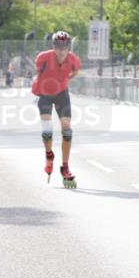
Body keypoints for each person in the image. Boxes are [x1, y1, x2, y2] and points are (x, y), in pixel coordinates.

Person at [31, 31, 81, 188]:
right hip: (44, 93)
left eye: (65, 47)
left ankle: (65, 167)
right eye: (58, 47)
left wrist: (62, 81)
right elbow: (38, 74)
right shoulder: (43, 58)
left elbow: (75, 73)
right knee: (47, 129)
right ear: (53, 47)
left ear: (69, 48)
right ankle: (49, 154)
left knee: (67, 128)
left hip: (61, 94)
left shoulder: (74, 60)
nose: (61, 51)